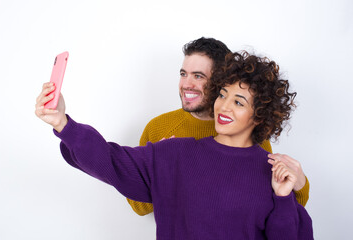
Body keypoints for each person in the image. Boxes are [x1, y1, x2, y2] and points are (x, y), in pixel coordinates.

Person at [35, 51, 313, 239]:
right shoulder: (175, 152)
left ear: (260, 115)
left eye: (239, 102)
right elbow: (110, 160)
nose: (223, 106)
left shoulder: (271, 169)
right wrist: (63, 124)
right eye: (223, 94)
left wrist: (284, 197)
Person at [129, 37, 310, 216]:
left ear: (221, 80)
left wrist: (300, 185)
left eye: (198, 76)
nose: (186, 85)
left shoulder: (247, 133)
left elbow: (278, 208)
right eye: (183, 74)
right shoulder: (158, 128)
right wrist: (158, 173)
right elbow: (138, 207)